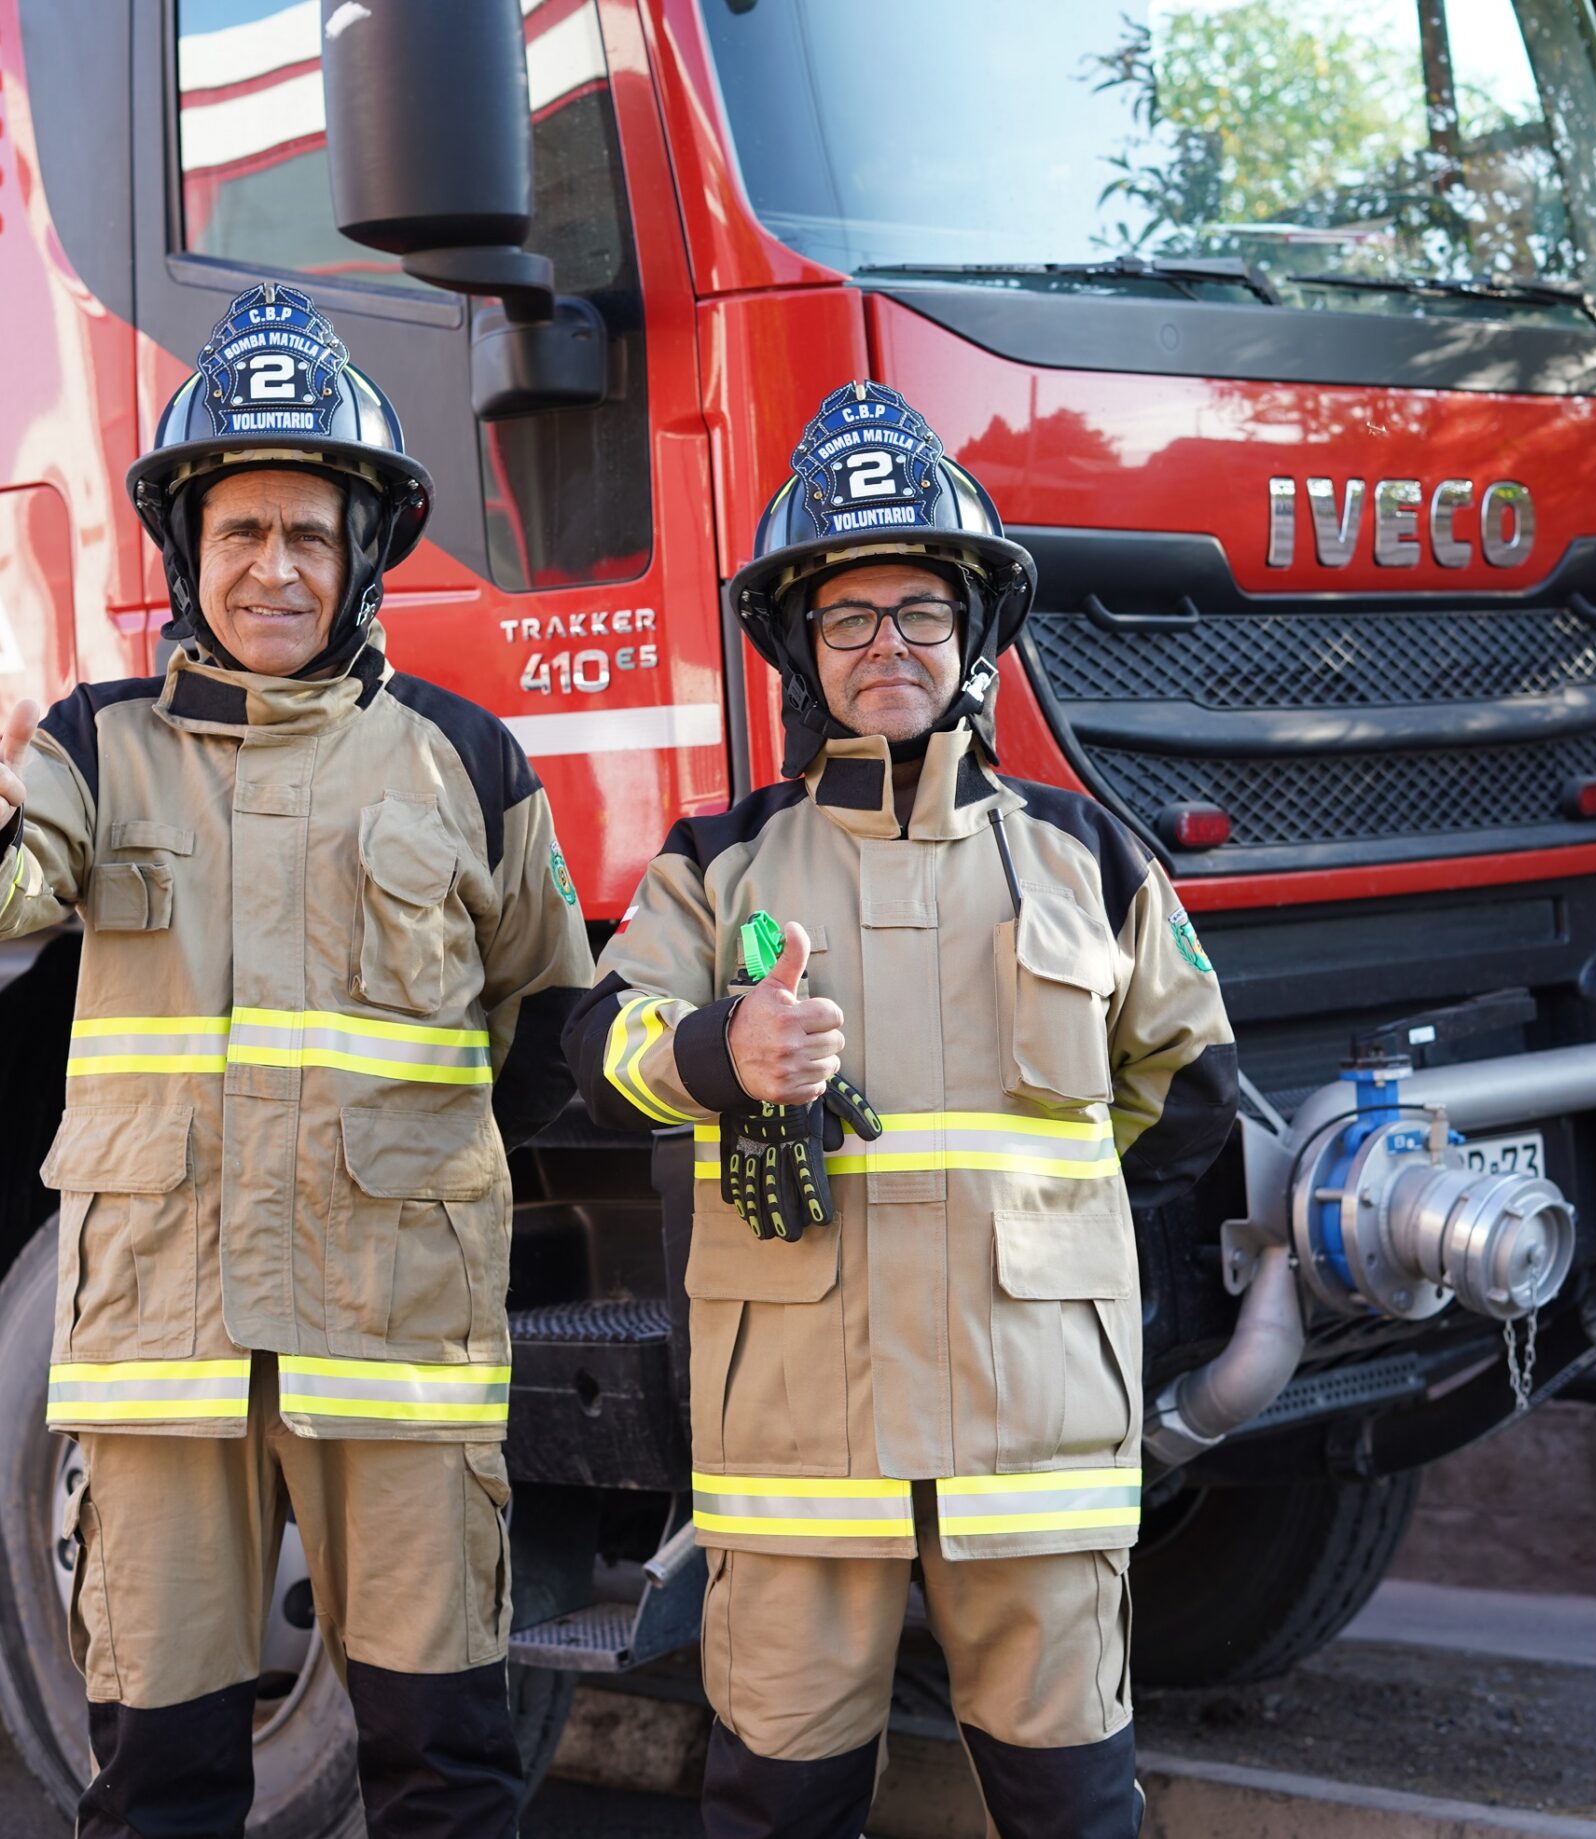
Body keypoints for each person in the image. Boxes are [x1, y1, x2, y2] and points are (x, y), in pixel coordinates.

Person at [0, 283, 593, 1839]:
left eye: (308, 535)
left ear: (361, 558)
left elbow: (550, 1019)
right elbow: (8, 884)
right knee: (164, 1783)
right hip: (165, 1360)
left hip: (396, 1354)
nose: (274, 566)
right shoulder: (96, 746)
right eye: (241, 533)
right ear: (188, 555)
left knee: (448, 1773)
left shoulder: (465, 764)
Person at [564, 382, 1238, 1839]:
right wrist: (716, 1054)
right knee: (776, 1814)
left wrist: (1041, 1234)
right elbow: (595, 1048)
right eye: (850, 619)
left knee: (1074, 1814)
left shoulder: (1087, 856)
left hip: (1035, 1448)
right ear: (802, 648)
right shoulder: (718, 866)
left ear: (973, 637)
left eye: (921, 614)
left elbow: (1184, 1104)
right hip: (801, 1450)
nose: (889, 648)